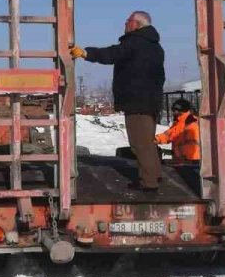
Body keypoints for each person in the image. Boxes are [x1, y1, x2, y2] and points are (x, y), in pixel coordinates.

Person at [71, 11, 165, 190]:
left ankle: (149, 183)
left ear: (136, 24)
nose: (125, 23)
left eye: (128, 20)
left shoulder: (135, 43)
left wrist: (84, 53)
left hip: (137, 103)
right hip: (151, 102)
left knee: (139, 144)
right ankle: (155, 175)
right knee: (147, 142)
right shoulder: (155, 46)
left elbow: (112, 54)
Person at [156, 98, 201, 191]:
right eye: (173, 110)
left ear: (183, 110)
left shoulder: (192, 123)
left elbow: (193, 147)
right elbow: (168, 135)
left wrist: (174, 152)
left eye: (176, 110)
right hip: (181, 159)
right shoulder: (179, 122)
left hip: (192, 163)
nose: (174, 113)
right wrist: (155, 139)